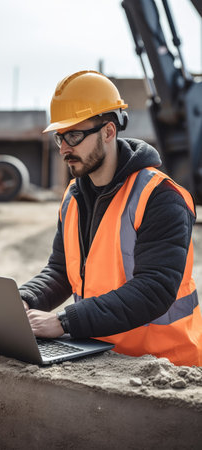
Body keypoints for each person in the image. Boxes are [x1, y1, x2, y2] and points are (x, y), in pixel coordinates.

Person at [19, 70, 202, 366]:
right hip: (100, 354)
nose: (65, 148)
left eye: (74, 135)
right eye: (60, 137)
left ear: (108, 132)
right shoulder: (73, 198)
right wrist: (24, 299)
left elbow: (154, 289)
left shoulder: (161, 196)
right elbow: (61, 270)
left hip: (164, 366)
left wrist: (64, 322)